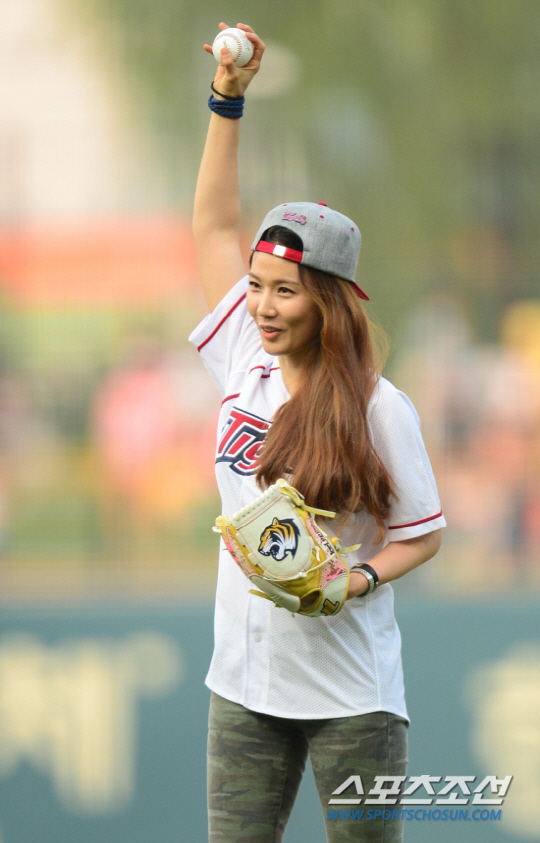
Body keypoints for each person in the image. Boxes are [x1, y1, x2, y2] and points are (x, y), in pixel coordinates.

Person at [189, 22, 446, 843]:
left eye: (285, 291)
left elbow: (422, 534)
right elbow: (211, 226)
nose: (262, 307)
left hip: (351, 695)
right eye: (256, 285)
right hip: (243, 685)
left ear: (328, 299)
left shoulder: (378, 406)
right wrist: (227, 101)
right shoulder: (244, 353)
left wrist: (356, 579)